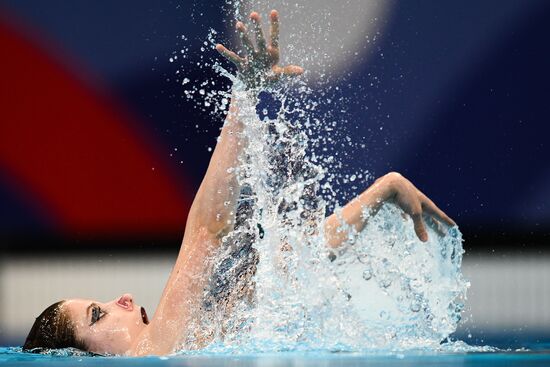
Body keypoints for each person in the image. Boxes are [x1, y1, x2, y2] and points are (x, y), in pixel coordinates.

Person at [23, 10, 455, 356]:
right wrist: (243, 95)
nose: (122, 298)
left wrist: (381, 193)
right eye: (97, 316)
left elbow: (296, 274)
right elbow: (209, 231)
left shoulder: (194, 342)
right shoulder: (153, 351)